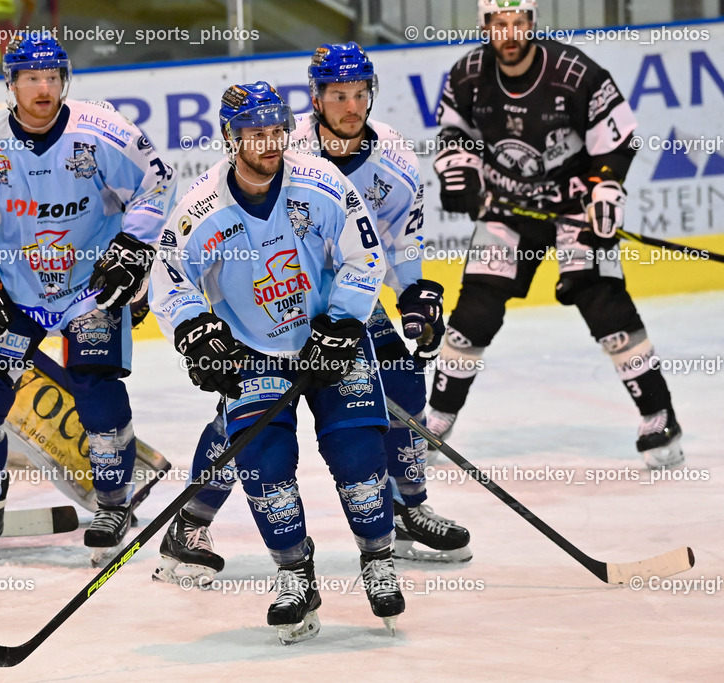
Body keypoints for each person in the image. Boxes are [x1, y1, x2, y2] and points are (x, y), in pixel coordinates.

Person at [152, 42, 472, 589]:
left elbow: (396, 239)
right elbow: (187, 252)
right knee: (247, 415)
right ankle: (193, 519)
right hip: (268, 307)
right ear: (315, 98)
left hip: (340, 300)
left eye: (359, 94)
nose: (351, 106)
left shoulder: (394, 158)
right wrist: (195, 325)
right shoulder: (283, 143)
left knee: (400, 383)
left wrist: (414, 291)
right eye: (338, 95)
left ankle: (406, 506)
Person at [150, 81, 404, 644]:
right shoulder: (201, 207)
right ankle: (295, 574)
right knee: (264, 465)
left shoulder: (321, 182)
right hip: (254, 351)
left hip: (327, 338)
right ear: (231, 137)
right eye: (255, 134)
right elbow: (169, 278)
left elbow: (365, 254)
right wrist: (194, 331)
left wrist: (343, 323)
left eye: (276, 132)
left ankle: (378, 559)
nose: (269, 143)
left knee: (358, 452)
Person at [0, 32, 175, 563]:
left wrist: (134, 246)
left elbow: (157, 184)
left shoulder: (104, 131)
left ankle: (113, 503)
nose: (43, 89)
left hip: (91, 286)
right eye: (30, 78)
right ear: (11, 84)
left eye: (51, 77)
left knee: (97, 390)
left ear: (64, 80)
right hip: (15, 288)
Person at [427, 0, 683, 469]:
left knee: (605, 306)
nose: (510, 33)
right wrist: (458, 169)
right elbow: (454, 133)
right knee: (474, 313)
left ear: (532, 23)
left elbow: (618, 140)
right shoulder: (467, 75)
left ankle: (659, 415)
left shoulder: (575, 73)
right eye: (499, 24)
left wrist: (606, 187)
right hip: (508, 208)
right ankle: (438, 417)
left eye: (518, 22)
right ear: (485, 26)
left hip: (574, 207)